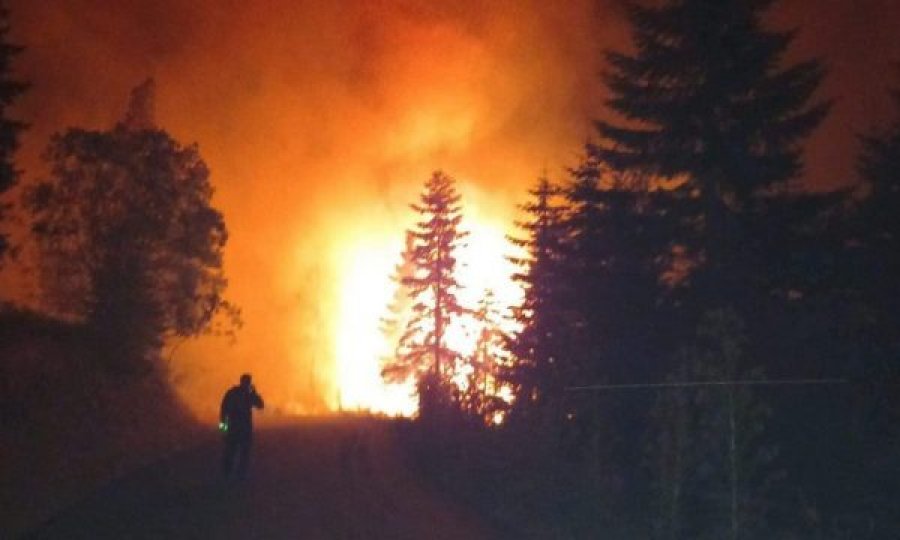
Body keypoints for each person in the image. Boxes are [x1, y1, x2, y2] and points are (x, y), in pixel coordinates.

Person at [220, 373, 264, 479]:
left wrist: (223, 426)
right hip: (240, 427)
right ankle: (235, 473)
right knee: (238, 451)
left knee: (237, 451)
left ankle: (231, 474)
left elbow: (260, 405)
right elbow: (224, 408)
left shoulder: (236, 393)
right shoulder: (242, 394)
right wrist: (223, 425)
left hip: (238, 427)